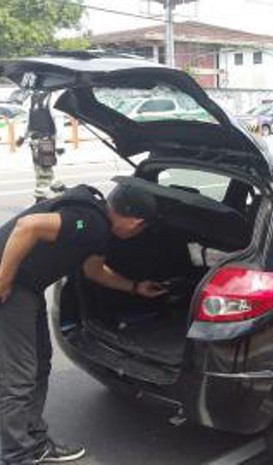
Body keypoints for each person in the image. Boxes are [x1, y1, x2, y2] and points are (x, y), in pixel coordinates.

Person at [0, 183, 167, 465]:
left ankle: (33, 441)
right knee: (20, 375)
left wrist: (136, 287)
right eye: (140, 229)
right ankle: (16, 454)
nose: (136, 235)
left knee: (40, 364)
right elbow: (28, 226)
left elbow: (95, 271)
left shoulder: (98, 225)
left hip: (27, 288)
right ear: (136, 222)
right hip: (13, 288)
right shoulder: (90, 223)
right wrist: (3, 281)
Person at [18, 91, 65, 203]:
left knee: (43, 170)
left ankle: (41, 196)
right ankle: (57, 187)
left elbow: (59, 121)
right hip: (35, 140)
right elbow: (29, 120)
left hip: (46, 139)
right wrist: (22, 136)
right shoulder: (31, 98)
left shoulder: (52, 97)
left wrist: (60, 143)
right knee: (41, 167)